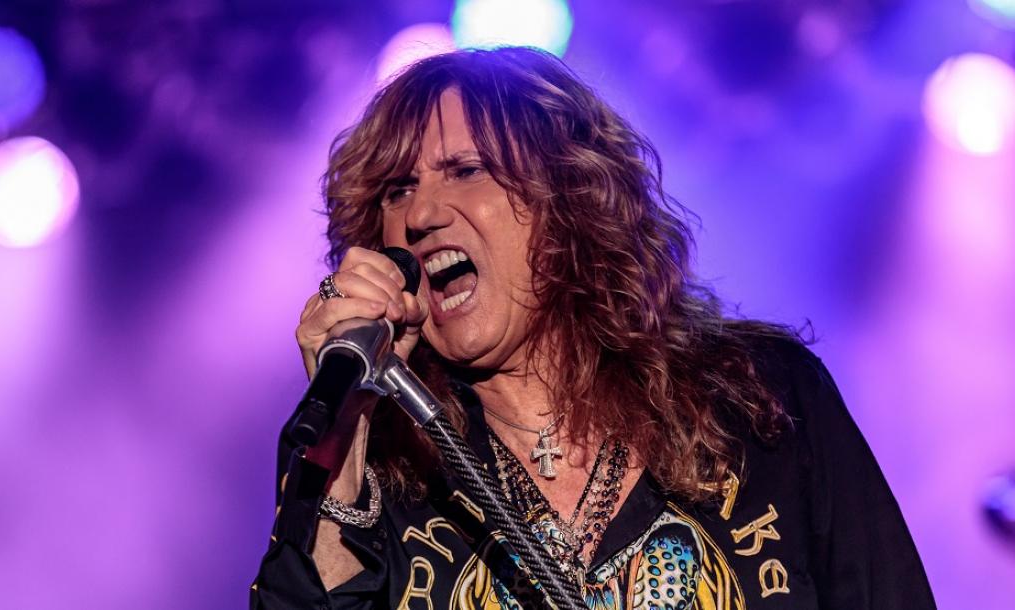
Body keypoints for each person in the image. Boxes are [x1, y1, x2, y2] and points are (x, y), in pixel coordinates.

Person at [250, 47, 936, 609]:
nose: (421, 214)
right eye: (397, 190)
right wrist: (349, 427)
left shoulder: (761, 398)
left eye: (466, 171)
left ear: (568, 199)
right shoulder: (370, 458)